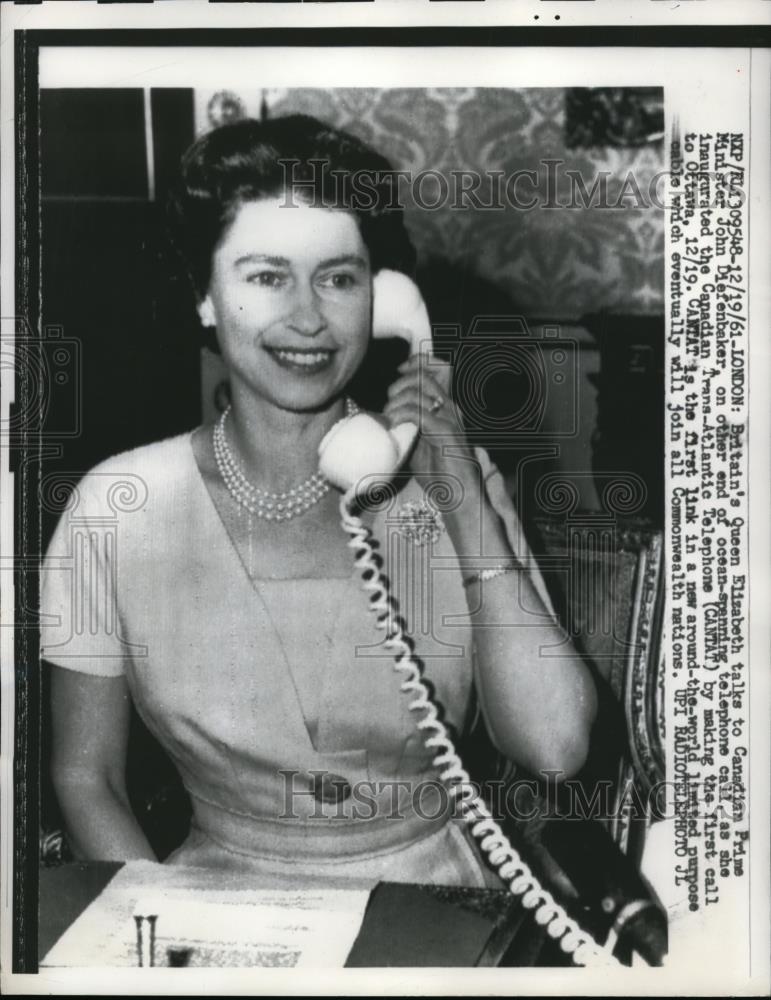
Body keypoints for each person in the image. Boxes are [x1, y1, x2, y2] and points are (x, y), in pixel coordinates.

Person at [42, 115, 597, 890]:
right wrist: (158, 931)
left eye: (338, 277)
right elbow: (85, 779)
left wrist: (460, 492)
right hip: (208, 906)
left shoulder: (453, 486)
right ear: (204, 295)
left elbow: (556, 748)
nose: (307, 318)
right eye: (266, 276)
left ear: (385, 298)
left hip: (435, 906)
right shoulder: (115, 508)